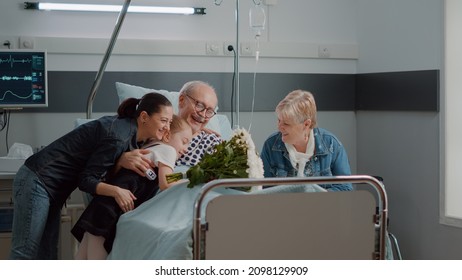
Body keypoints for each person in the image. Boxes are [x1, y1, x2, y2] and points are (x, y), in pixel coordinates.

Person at [9, 92, 173, 260]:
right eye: (164, 120)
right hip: (38, 179)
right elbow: (86, 180)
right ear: (144, 116)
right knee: (25, 254)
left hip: (52, 189)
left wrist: (119, 162)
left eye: (171, 122)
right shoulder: (121, 136)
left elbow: (102, 169)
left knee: (47, 255)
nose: (168, 127)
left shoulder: (135, 140)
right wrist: (117, 191)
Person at [71, 115, 193, 259]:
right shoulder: (168, 151)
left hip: (103, 203)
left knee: (83, 256)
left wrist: (184, 175)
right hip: (111, 208)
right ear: (167, 135)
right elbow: (165, 182)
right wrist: (188, 178)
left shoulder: (148, 148)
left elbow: (164, 177)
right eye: (184, 142)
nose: (186, 149)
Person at [118, 81, 222, 171]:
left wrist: (184, 176)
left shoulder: (211, 141)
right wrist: (121, 160)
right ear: (182, 100)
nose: (203, 115)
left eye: (209, 111)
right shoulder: (156, 130)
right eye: (199, 105)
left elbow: (212, 179)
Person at [260, 90, 353, 191]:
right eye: (279, 121)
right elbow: (263, 191)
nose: (279, 127)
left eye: (286, 124)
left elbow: (345, 188)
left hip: (323, 207)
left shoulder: (331, 145)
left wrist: (315, 200)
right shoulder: (271, 146)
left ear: (306, 124)